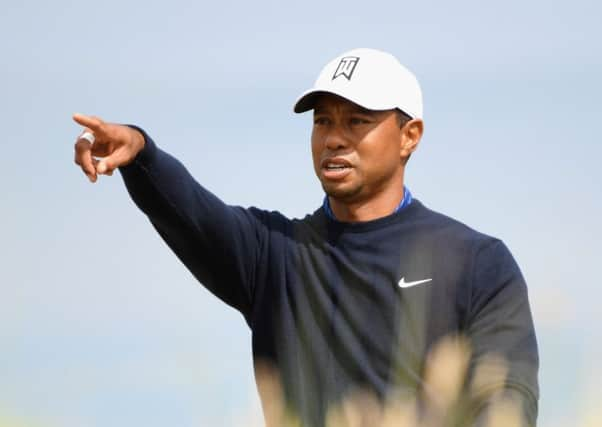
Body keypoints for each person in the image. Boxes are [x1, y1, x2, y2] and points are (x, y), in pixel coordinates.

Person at [72, 48, 539, 426]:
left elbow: (507, 404)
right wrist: (140, 154)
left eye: (357, 121)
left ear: (409, 136)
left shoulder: (477, 262)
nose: (334, 138)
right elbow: (192, 212)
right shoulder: (274, 255)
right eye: (322, 121)